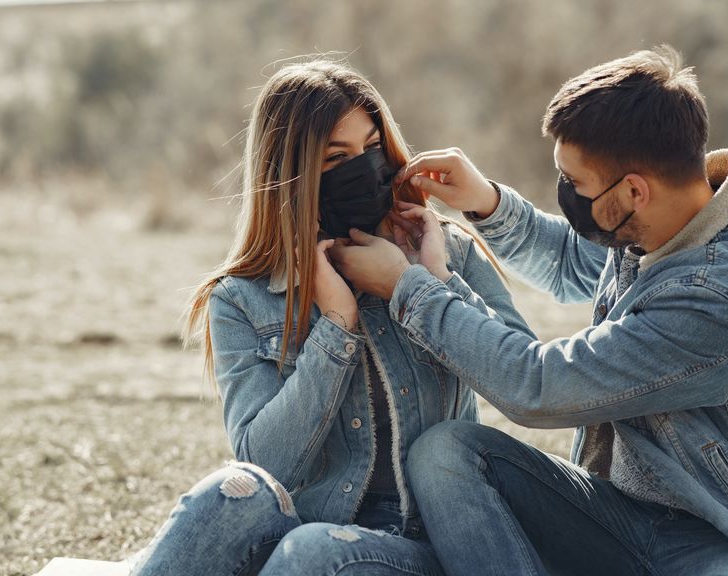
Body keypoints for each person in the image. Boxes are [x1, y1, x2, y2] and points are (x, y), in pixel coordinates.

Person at [331, 46, 728, 576]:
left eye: (574, 185)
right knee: (447, 455)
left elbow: (541, 387)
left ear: (634, 191)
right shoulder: (673, 217)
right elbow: (574, 262)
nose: (565, 196)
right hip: (629, 519)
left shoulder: (722, 297)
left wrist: (407, 288)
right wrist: (484, 202)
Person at [127, 59, 532, 576]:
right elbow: (265, 462)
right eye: (337, 158)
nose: (366, 168)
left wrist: (428, 285)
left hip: (418, 540)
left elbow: (521, 376)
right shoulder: (242, 298)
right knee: (230, 492)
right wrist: (336, 324)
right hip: (303, 527)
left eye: (372, 148)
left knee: (315, 551)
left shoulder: (442, 250)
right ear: (290, 178)